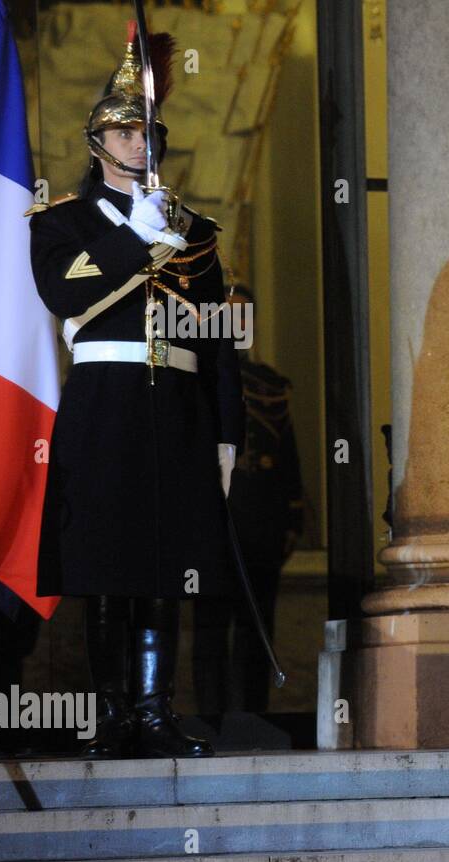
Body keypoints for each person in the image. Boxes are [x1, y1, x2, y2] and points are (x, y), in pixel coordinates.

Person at [28, 27, 243, 759]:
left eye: (146, 130)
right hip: (105, 399)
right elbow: (61, 293)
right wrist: (132, 238)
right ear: (98, 143)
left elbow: (217, 341)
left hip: (176, 405)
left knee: (166, 560)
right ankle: (114, 712)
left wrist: (227, 432)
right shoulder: (60, 222)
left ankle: (155, 709)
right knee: (106, 560)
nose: (138, 142)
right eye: (124, 131)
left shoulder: (197, 232)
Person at [192, 287, 303, 715]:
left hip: (260, 520)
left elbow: (287, 457)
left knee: (256, 627)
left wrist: (293, 515)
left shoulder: (271, 385)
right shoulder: (196, 378)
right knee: (210, 627)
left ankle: (251, 716)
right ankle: (211, 717)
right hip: (214, 517)